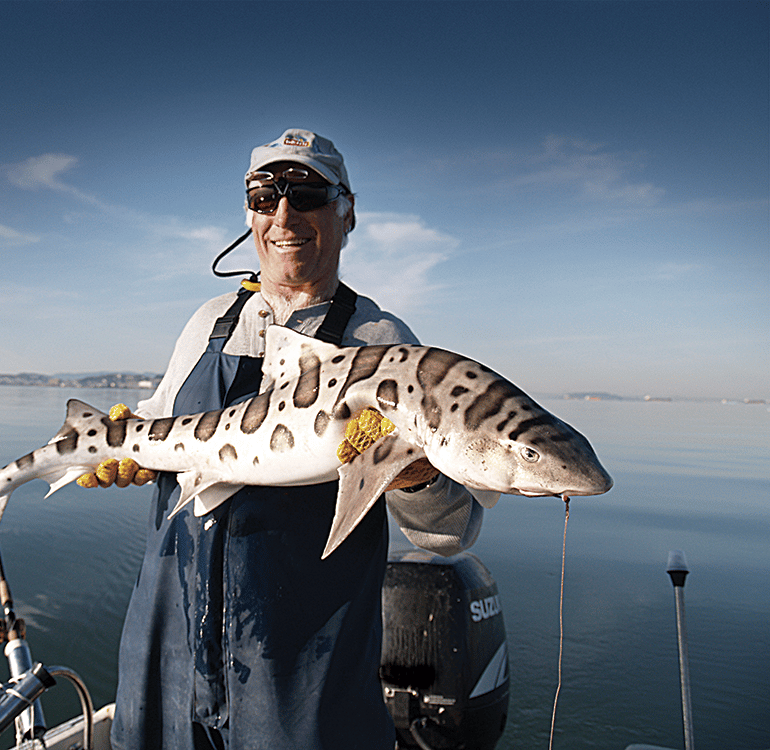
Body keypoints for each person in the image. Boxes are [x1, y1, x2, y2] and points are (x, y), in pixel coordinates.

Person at [90, 129, 492, 750]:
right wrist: (120, 449)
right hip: (167, 640)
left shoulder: (380, 339)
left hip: (300, 672)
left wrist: (410, 472)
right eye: (264, 195)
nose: (283, 215)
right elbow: (161, 418)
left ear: (347, 211)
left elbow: (449, 531)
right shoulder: (210, 322)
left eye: (306, 194)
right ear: (248, 213)